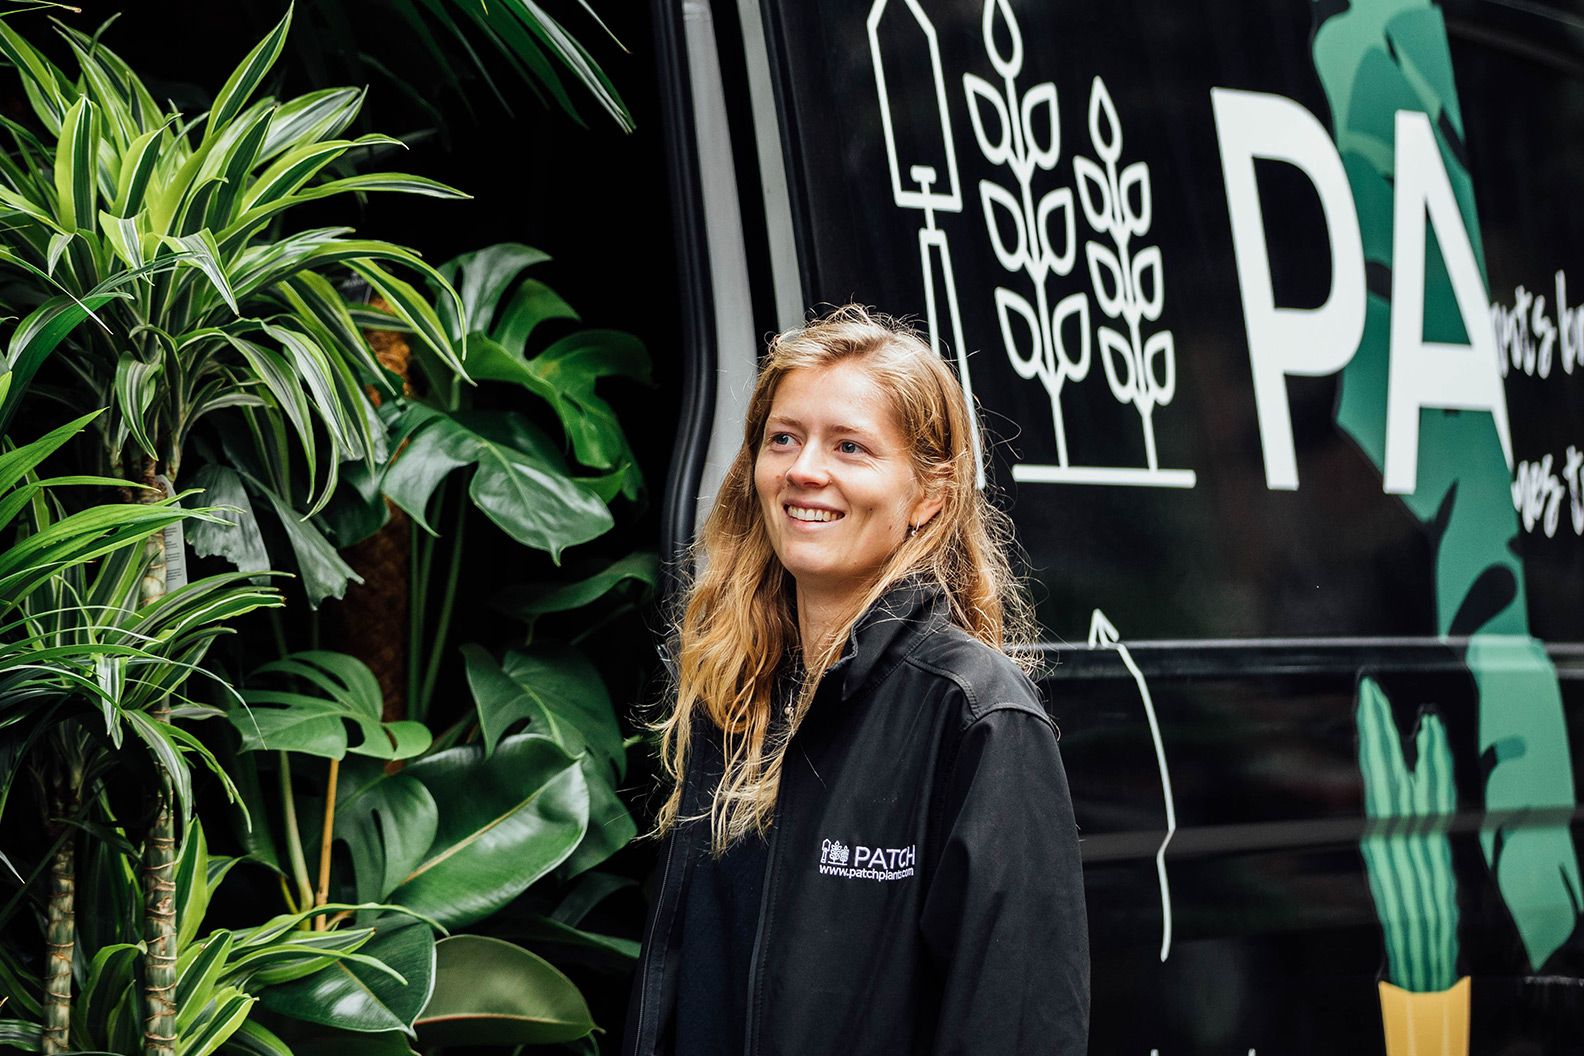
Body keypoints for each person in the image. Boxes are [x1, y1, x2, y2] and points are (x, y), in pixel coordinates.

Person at [622, 306, 1089, 1056]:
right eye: (785, 438)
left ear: (929, 495)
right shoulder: (736, 687)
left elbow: (1017, 1022)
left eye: (850, 446)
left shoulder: (975, 714)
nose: (805, 469)